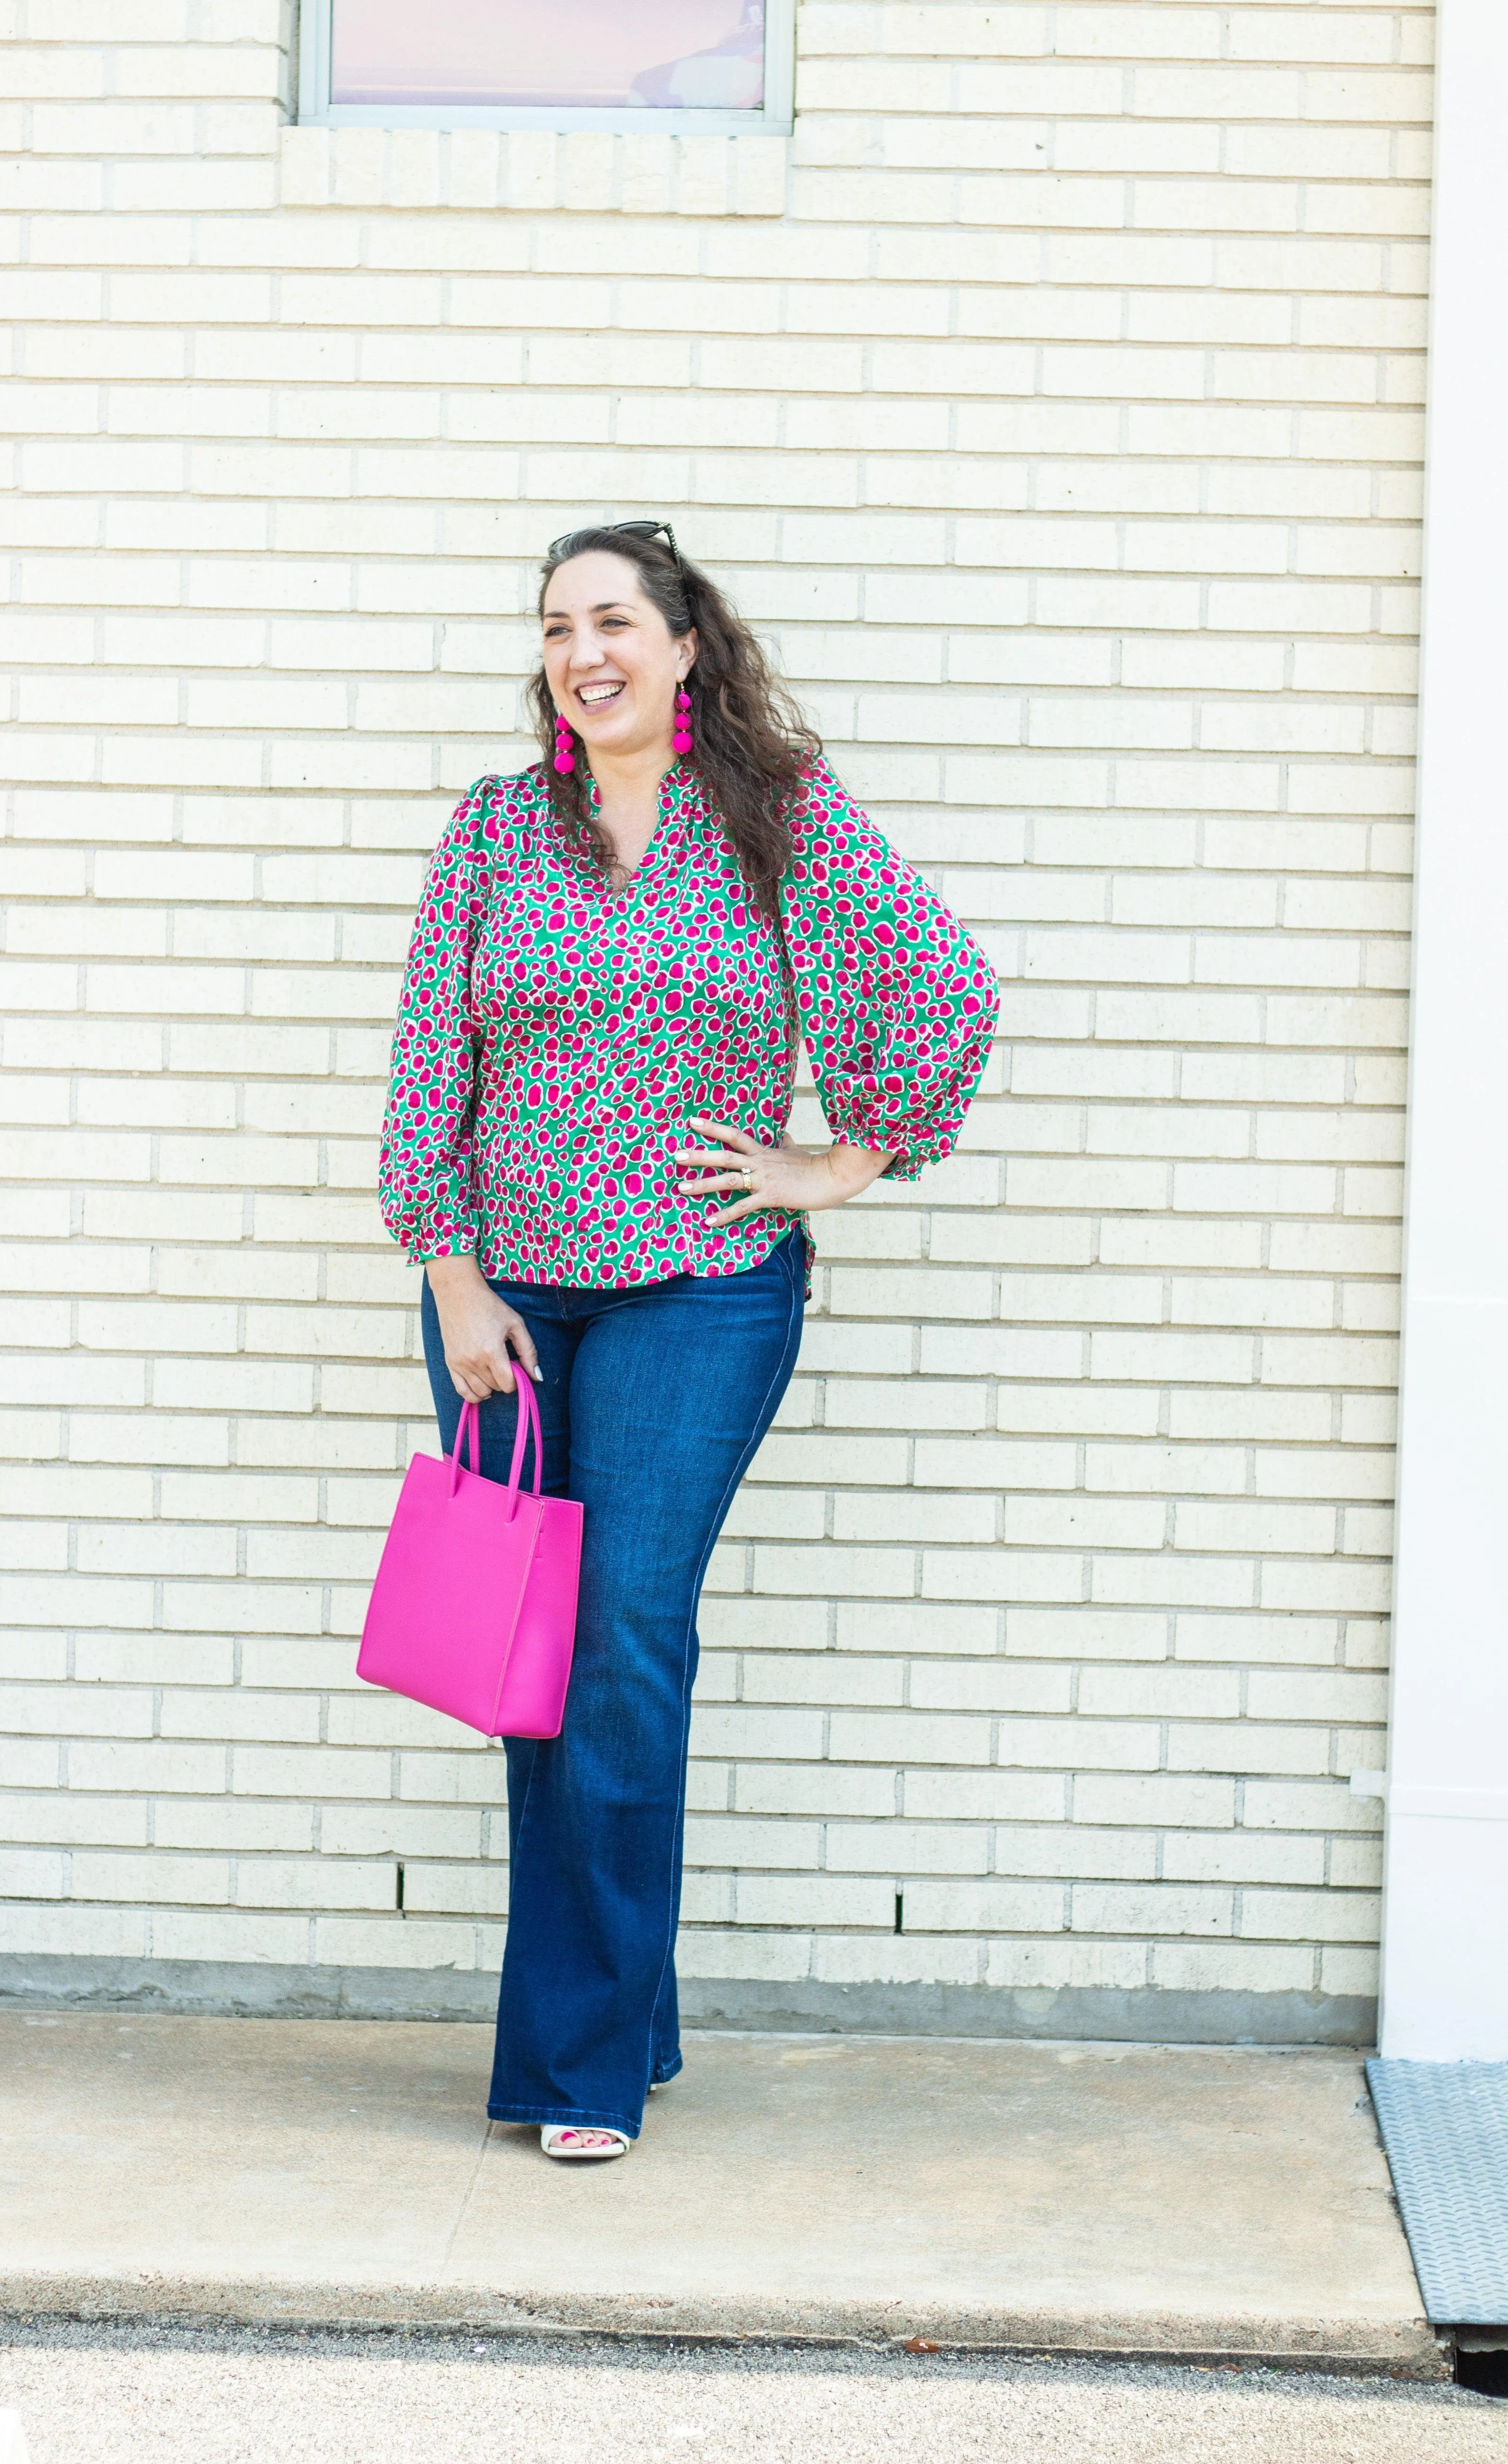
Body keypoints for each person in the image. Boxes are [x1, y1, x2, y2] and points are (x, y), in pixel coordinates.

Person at [379, 521, 999, 2160]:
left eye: (614, 620)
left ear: (684, 647)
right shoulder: (499, 832)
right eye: (559, 627)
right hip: (508, 1299)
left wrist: (839, 1160)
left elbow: (945, 992)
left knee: (621, 1646)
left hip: (701, 1287)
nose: (586, 650)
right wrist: (448, 1272)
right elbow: (431, 1061)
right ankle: (619, 2012)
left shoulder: (781, 819)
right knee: (535, 1666)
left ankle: (575, 2077)